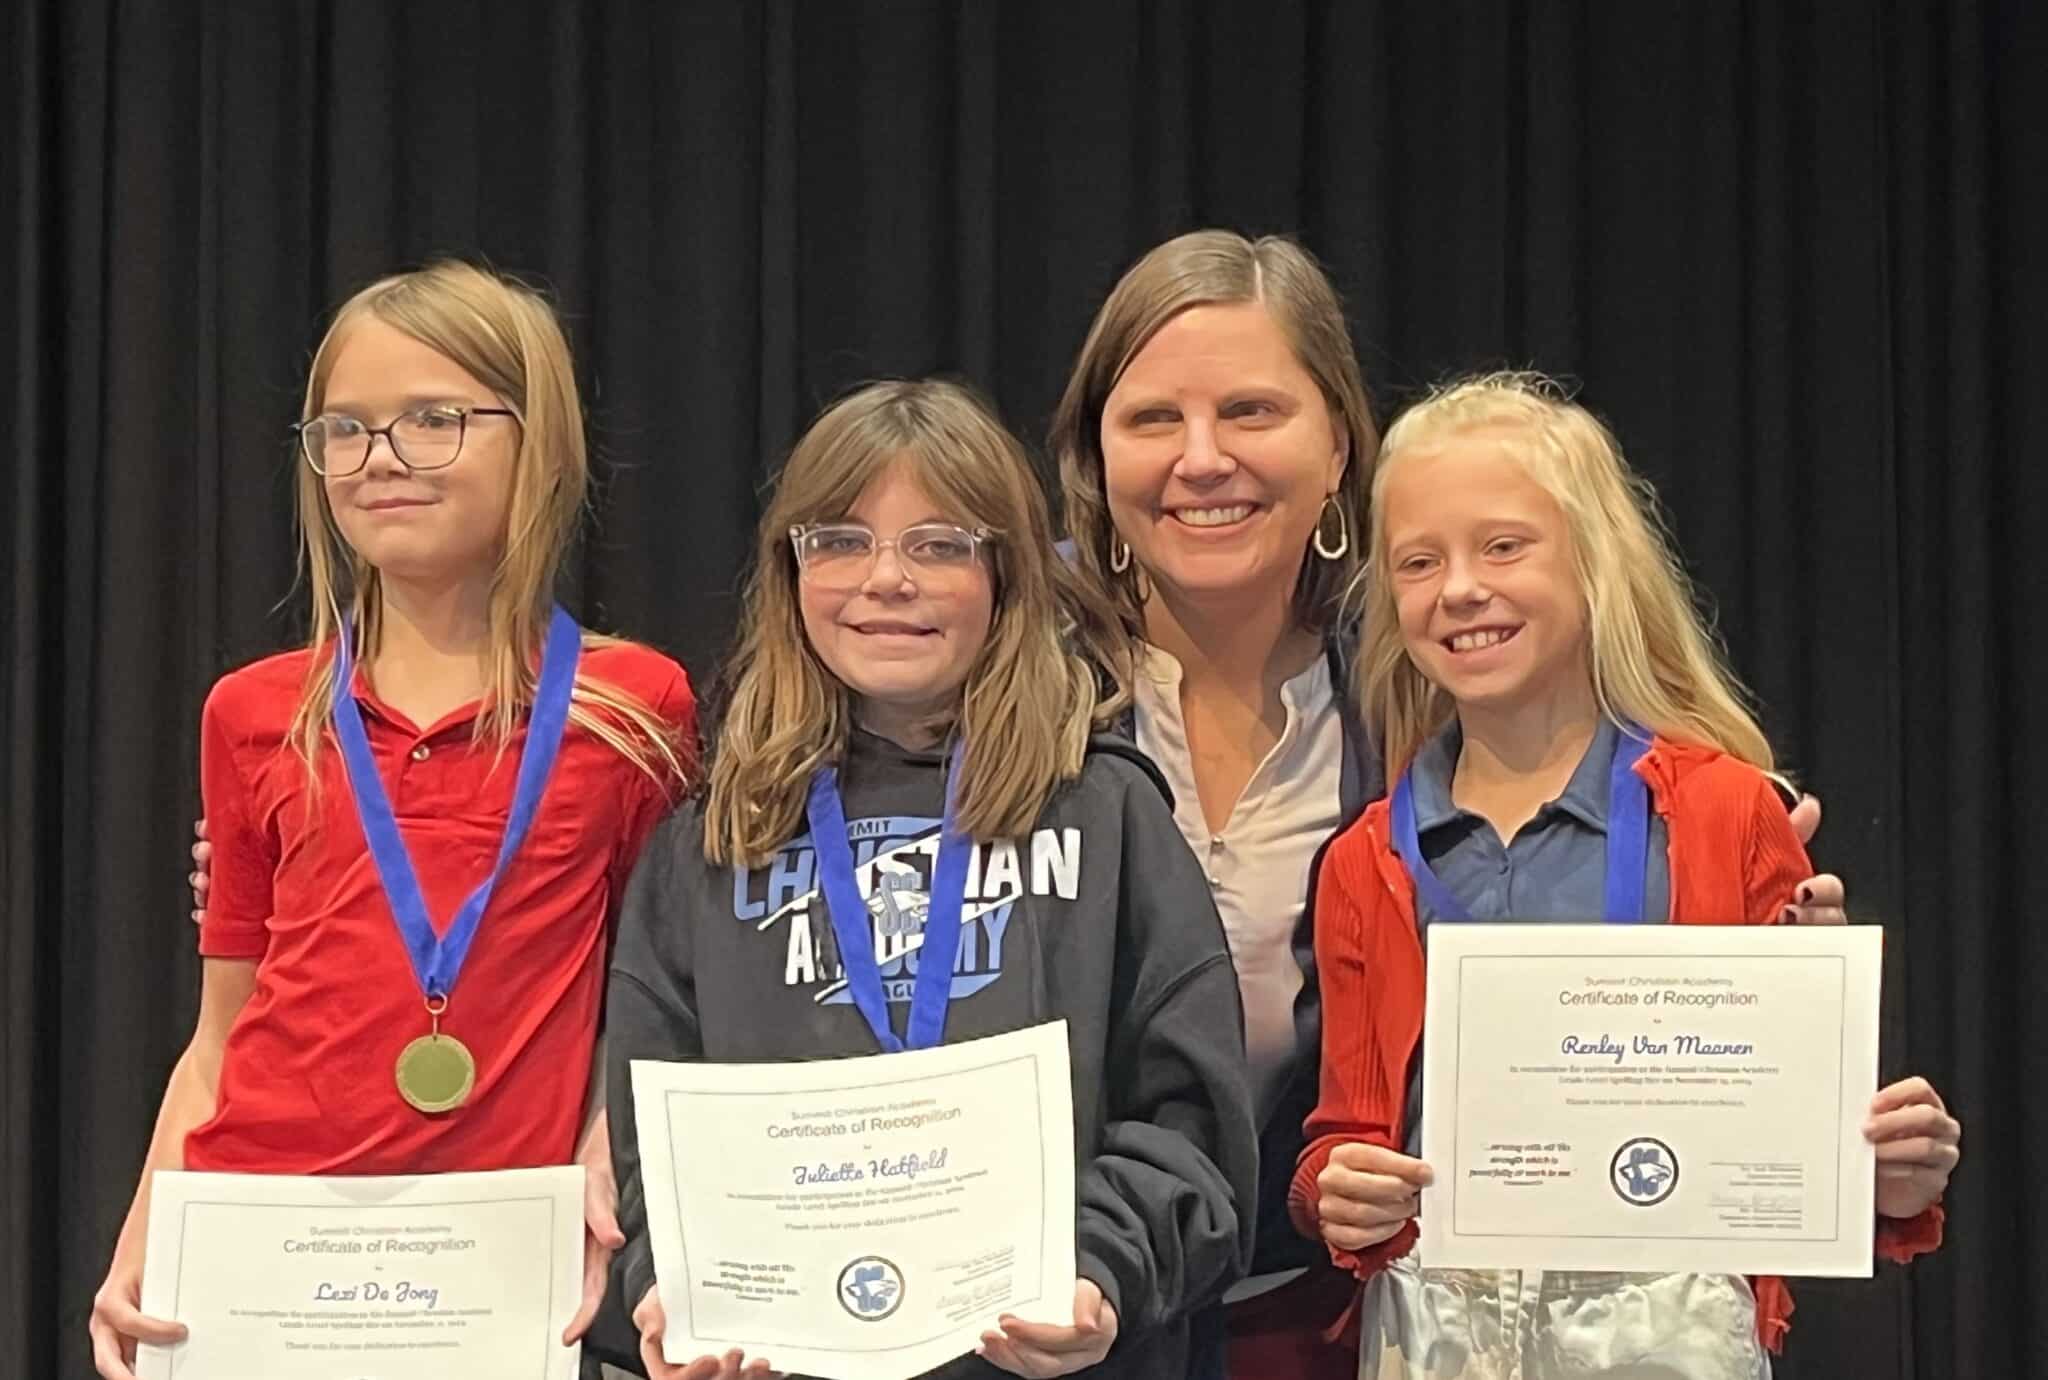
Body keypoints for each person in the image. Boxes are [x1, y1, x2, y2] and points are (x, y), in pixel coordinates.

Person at [1048, 230, 1856, 1378]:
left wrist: (1767, 984)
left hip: (1350, 1325)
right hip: (1062, 1329)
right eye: (1150, 420)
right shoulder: (1011, 708)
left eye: (1250, 412)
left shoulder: (1424, 703)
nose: (1202, 458)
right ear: (1094, 452)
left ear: (1336, 446)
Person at [90, 262, 696, 1380]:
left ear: (540, 442)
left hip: (498, 1264)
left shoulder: (634, 708)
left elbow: (656, 995)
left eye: (434, 420)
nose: (380, 457)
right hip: (258, 1247)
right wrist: (144, 1238)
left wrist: (604, 1151)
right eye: (346, 428)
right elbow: (222, 1035)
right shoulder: (255, 712)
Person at [1291, 373, 1960, 1378]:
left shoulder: (1725, 812)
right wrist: (1332, 1191)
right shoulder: (1363, 862)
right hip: (1432, 1330)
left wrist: (1884, 1180)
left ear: (1593, 562)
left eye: (1503, 545)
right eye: (1417, 562)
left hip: (1667, 1328)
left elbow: (1788, 1141)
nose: (1460, 587)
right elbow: (1343, 1133)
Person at [604, 379, 1258, 1380]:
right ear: (789, 572)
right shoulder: (713, 838)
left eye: (939, 544)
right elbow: (654, 1141)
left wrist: (1097, 1272)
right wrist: (680, 1290)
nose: (885, 579)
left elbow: (1192, 1121)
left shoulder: (1103, 813)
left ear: (1005, 574)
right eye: (840, 541)